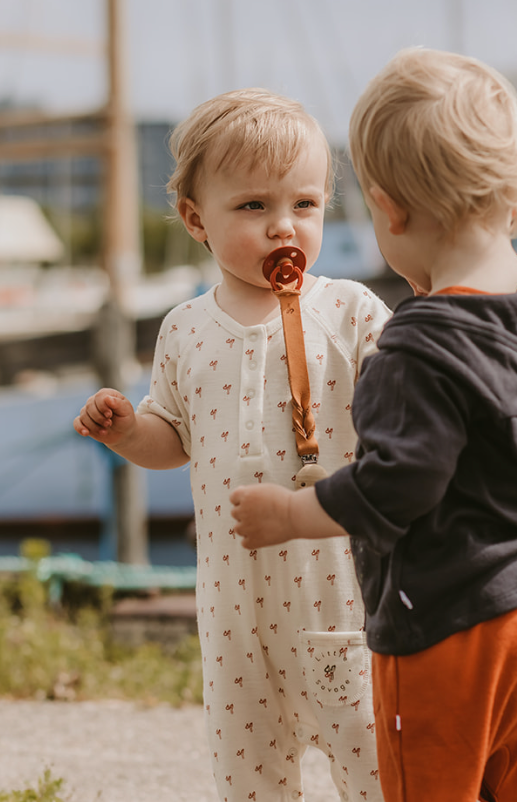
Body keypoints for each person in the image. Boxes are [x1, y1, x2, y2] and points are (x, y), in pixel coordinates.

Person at [229, 49, 517, 802]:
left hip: (450, 628)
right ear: (513, 198)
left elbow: (399, 485)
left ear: (390, 210)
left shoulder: (418, 345)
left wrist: (292, 513)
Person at [74, 88, 391, 802]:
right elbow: (173, 439)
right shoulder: (185, 330)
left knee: (375, 768)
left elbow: (404, 393)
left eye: (304, 205)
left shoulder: (349, 310)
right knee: (249, 779)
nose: (284, 226)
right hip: (234, 615)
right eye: (253, 207)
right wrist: (127, 430)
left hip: (340, 597)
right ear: (197, 221)